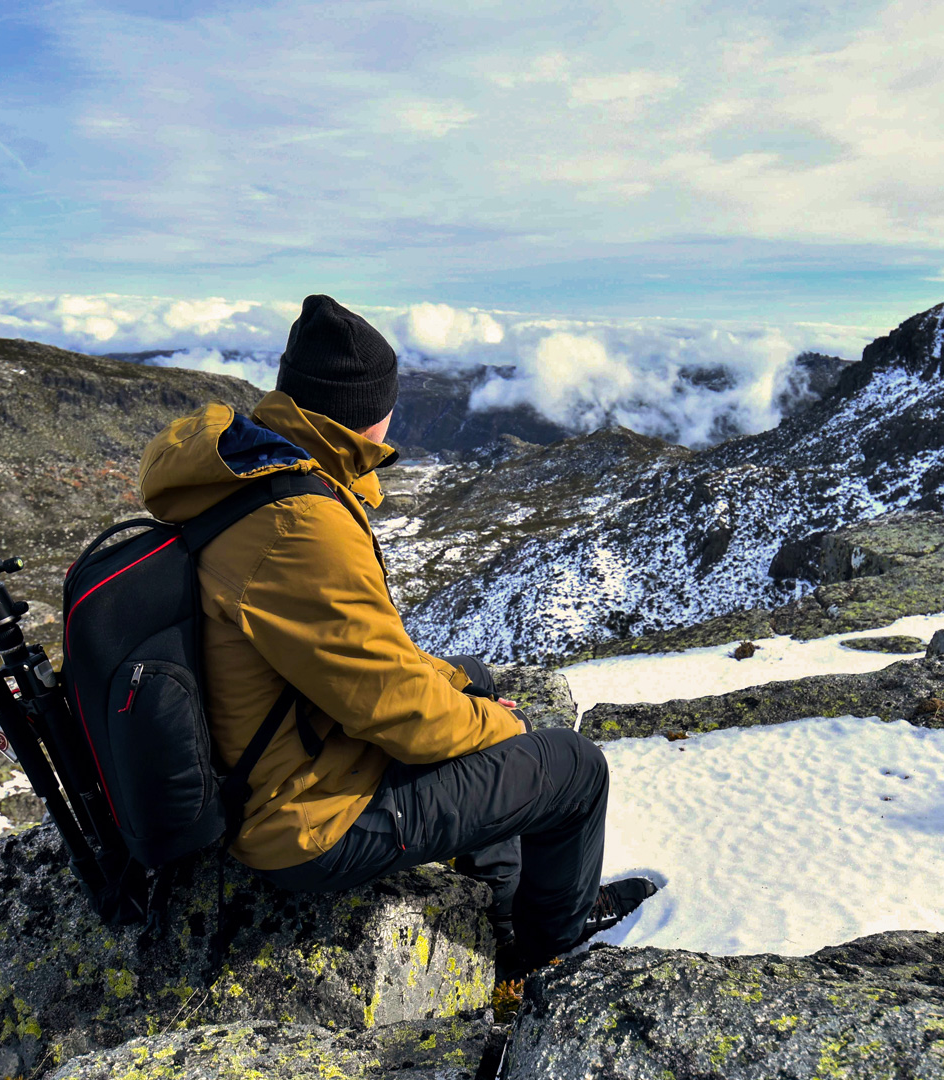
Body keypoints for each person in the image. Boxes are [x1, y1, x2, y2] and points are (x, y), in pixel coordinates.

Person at [138, 294, 656, 979]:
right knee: (572, 768)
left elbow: (355, 663)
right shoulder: (299, 525)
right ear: (367, 416)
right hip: (304, 820)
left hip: (271, 751)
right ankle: (544, 953)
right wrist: (501, 729)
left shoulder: (244, 474)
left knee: (469, 677)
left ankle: (503, 901)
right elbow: (396, 713)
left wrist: (465, 693)